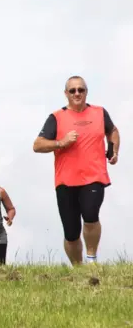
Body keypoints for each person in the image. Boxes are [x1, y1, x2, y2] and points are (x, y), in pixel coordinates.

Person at [33, 75, 119, 265]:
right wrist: (61, 142)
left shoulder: (99, 112)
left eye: (81, 89)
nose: (77, 93)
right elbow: (38, 145)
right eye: (72, 90)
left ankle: (91, 259)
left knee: (90, 214)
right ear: (66, 94)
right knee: (71, 233)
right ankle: (79, 269)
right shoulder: (56, 117)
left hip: (94, 176)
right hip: (65, 180)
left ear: (86, 91)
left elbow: (112, 131)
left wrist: (113, 150)